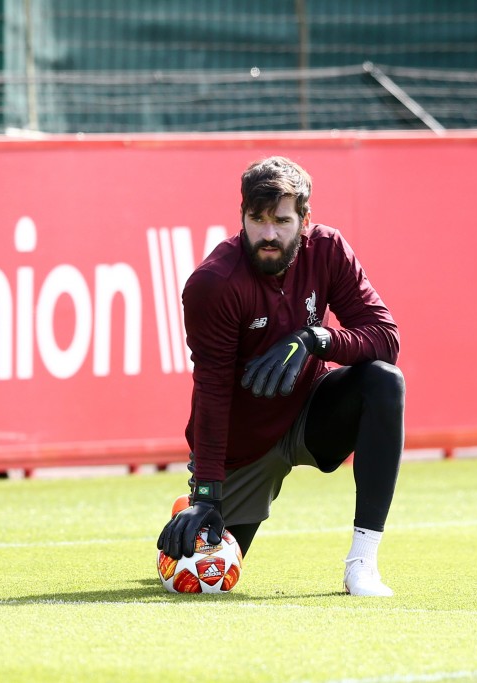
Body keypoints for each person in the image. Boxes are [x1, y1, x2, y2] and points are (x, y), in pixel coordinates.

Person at [156, 156, 405, 597]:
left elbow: (385, 337)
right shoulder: (213, 284)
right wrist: (208, 495)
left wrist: (317, 339)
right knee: (207, 581)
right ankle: (189, 505)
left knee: (384, 381)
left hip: (310, 414)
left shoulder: (328, 249)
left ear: (305, 220)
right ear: (243, 217)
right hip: (243, 445)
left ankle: (362, 564)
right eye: (257, 219)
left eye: (282, 220)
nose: (268, 234)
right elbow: (210, 390)